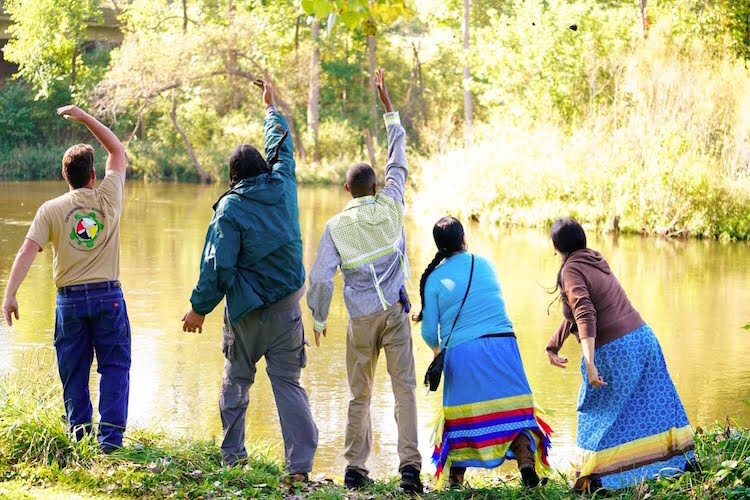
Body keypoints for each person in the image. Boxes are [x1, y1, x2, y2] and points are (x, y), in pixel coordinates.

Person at [181, 80, 318, 481]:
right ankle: (298, 469)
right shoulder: (284, 185)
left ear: (232, 177)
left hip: (244, 315)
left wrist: (198, 308)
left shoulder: (230, 209)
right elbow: (281, 147)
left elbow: (217, 267)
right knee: (289, 385)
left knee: (237, 379)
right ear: (263, 168)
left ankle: (234, 457)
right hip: (287, 311)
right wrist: (270, 109)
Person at [307, 69, 422, 493]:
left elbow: (319, 278)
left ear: (345, 189)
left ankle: (355, 469)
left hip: (360, 318)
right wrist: (389, 109)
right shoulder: (392, 205)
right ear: (375, 186)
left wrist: (319, 320)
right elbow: (399, 161)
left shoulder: (336, 226)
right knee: (405, 389)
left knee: (360, 394)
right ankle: (409, 470)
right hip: (395, 310)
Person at [2, 105, 130, 452]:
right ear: (93, 176)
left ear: (64, 175)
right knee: (115, 368)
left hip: (70, 301)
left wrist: (10, 294)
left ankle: (80, 439)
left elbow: (27, 251)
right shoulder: (109, 197)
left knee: (73, 371)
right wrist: (85, 117)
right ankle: (110, 444)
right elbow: (117, 150)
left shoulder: (51, 209)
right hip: (109, 297)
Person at [545, 217, 694, 492]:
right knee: (651, 406)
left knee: (596, 412)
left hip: (616, 348)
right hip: (642, 339)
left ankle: (599, 478)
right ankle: (671, 463)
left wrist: (589, 362)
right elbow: (579, 309)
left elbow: (585, 312)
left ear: (555, 246)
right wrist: (553, 344)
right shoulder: (594, 260)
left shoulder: (570, 270)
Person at [415, 216, 552, 489]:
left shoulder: (433, 280)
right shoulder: (485, 263)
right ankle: (525, 457)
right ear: (464, 239)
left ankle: (455, 478)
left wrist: (436, 352)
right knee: (513, 409)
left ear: (438, 247)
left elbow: (430, 333)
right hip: (503, 344)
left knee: (462, 415)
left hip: (463, 352)